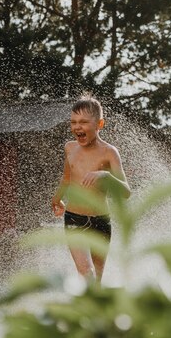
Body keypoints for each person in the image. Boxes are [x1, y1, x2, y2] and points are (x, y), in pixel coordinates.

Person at [52, 95, 131, 282]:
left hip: (101, 222)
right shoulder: (70, 148)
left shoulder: (109, 152)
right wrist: (57, 199)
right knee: (86, 273)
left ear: (99, 124)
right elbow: (67, 178)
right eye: (73, 122)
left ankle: (93, 311)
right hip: (74, 218)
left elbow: (126, 192)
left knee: (97, 278)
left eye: (84, 122)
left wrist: (106, 176)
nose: (77, 127)